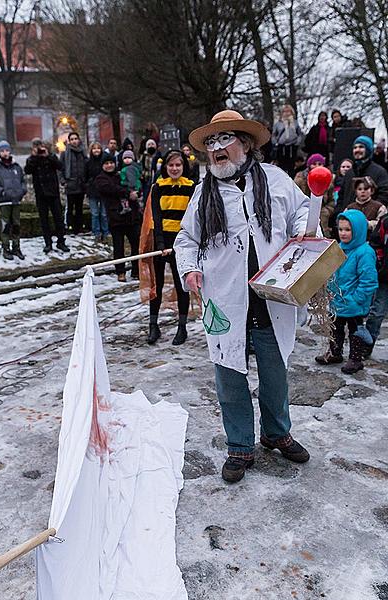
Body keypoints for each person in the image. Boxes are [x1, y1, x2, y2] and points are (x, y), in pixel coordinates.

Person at [174, 109, 311, 483]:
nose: (216, 149)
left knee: (275, 371)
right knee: (229, 376)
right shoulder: (204, 194)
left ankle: (275, 431)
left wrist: (301, 235)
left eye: (225, 140)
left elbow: (301, 211)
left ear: (246, 144)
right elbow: (186, 239)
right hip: (226, 300)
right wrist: (189, 268)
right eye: (211, 143)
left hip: (272, 296)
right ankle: (239, 445)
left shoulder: (276, 180)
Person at [315, 210, 378, 374]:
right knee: (335, 327)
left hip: (354, 302)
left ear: (358, 230)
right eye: (341, 229)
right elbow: (332, 271)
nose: (343, 233)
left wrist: (356, 299)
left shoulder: (364, 252)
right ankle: (335, 352)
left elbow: (369, 280)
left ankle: (356, 359)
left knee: (355, 330)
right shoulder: (339, 248)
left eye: (348, 230)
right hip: (337, 299)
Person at [147, 150, 195, 346]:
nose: (174, 169)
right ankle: (153, 325)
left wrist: (181, 244)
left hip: (181, 241)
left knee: (180, 283)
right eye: (171, 165)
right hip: (161, 240)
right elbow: (156, 217)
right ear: (165, 167)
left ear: (183, 166)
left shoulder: (191, 187)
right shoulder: (158, 187)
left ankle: (182, 327)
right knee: (156, 284)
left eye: (178, 165)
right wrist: (160, 244)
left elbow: (193, 217)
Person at [96, 154, 140, 282]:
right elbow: (110, 189)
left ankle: (136, 270)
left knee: (135, 244)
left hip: (131, 216)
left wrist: (135, 191)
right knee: (118, 246)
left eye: (111, 163)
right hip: (115, 218)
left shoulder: (121, 174)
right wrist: (127, 193)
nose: (110, 165)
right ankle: (120, 271)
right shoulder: (101, 179)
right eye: (107, 163)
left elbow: (132, 184)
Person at [25, 138, 70, 254]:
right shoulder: (32, 159)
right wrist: (34, 157)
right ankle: (48, 243)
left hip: (53, 193)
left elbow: (60, 166)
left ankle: (61, 242)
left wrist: (48, 155)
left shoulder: (50, 156)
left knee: (58, 219)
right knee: (44, 220)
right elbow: (28, 170)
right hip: (41, 194)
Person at [0, 140, 27, 260]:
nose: (5, 153)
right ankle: (6, 248)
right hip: (4, 200)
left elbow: (22, 181)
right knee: (5, 226)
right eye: (2, 151)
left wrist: (22, 191)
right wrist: (1, 191)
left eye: (7, 150)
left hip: (16, 200)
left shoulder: (16, 167)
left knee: (16, 225)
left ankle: (16, 247)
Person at [336, 136, 388, 210]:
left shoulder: (380, 172)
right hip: (348, 217)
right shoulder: (350, 173)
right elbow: (341, 196)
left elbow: (384, 195)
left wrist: (372, 211)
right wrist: (339, 212)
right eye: (355, 147)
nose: (357, 150)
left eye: (361, 147)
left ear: (368, 149)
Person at [364, 213, 388, 356]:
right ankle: (366, 346)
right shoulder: (385, 222)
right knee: (377, 312)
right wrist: (380, 264)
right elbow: (375, 243)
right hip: (385, 277)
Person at [294, 153, 334, 236]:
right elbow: (295, 197)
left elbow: (331, 200)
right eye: (314, 164)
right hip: (303, 212)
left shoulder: (328, 181)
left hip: (322, 214)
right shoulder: (300, 179)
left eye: (320, 164)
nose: (317, 166)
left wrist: (327, 211)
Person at [60, 132, 87, 234]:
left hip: (81, 184)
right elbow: (60, 168)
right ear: (69, 141)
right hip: (70, 184)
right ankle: (69, 226)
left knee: (79, 207)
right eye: (72, 139)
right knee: (70, 207)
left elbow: (86, 166)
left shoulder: (83, 152)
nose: (74, 141)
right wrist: (63, 181)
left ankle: (79, 226)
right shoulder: (64, 153)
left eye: (76, 138)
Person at [85, 142, 110, 243]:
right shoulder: (88, 162)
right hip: (92, 190)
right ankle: (96, 232)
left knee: (104, 213)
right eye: (94, 149)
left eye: (98, 148)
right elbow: (85, 176)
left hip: (103, 190)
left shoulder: (104, 161)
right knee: (95, 213)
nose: (96, 150)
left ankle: (105, 231)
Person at [271, 104, 303, 178]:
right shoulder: (278, 123)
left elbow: (299, 134)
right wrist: (275, 143)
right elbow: (274, 135)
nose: (286, 113)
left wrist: (297, 143)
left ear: (292, 112)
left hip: (292, 147)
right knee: (281, 166)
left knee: (291, 166)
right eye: (284, 111)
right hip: (281, 147)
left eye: (288, 111)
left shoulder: (295, 122)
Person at [141, 139, 161, 204]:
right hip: (146, 177)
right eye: (149, 144)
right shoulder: (144, 155)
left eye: (152, 144)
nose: (151, 146)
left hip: (156, 176)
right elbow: (141, 166)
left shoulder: (158, 154)